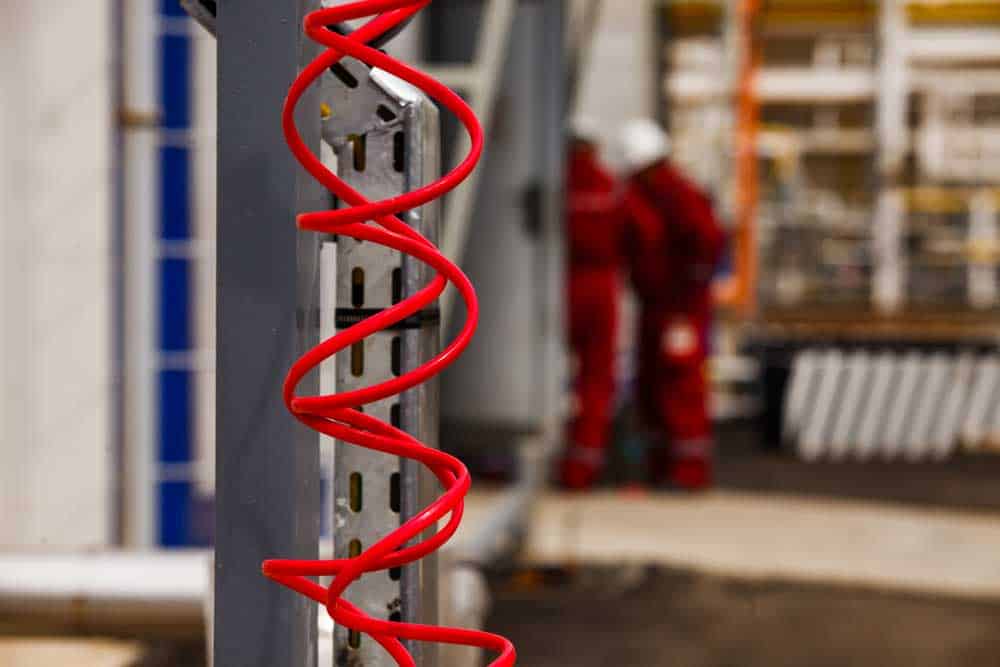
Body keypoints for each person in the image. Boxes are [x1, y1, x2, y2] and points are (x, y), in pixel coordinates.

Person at [620, 118, 725, 491]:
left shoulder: (679, 195)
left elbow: (707, 241)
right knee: (653, 385)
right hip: (656, 305)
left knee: (681, 384)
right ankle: (662, 468)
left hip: (681, 308)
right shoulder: (642, 194)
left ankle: (689, 472)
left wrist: (688, 291)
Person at [559, 116, 625, 490]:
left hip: (561, 285)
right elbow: (638, 235)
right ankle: (584, 466)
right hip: (602, 287)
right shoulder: (610, 186)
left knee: (547, 376)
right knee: (597, 380)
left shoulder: (558, 184)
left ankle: (549, 455)